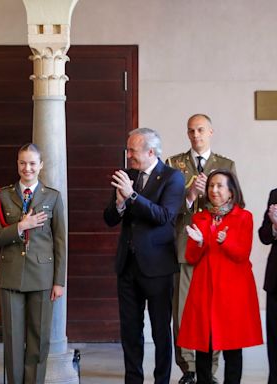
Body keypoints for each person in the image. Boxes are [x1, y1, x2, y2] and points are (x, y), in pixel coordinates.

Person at [103, 128, 185, 384]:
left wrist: (132, 196)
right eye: (128, 150)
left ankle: (162, 380)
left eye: (132, 151)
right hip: (127, 265)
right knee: (130, 331)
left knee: (161, 331)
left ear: (151, 152)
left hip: (158, 267)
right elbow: (109, 219)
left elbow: (164, 216)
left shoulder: (173, 178)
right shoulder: (127, 176)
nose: (128, 156)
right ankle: (133, 380)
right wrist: (119, 204)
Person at [0, 143, 66, 384]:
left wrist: (59, 281)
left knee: (38, 339)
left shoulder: (52, 196)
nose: (27, 168)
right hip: (11, 275)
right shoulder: (3, 196)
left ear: (40, 165)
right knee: (12, 340)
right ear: (17, 164)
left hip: (42, 276)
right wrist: (20, 227)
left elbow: (60, 241)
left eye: (32, 163)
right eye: (23, 163)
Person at [166, 113, 236, 384]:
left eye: (200, 130)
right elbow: (167, 207)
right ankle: (189, 369)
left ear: (210, 132)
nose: (196, 135)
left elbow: (234, 205)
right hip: (184, 246)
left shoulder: (225, 165)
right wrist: (191, 195)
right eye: (191, 131)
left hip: (213, 249)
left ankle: (211, 369)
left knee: (212, 312)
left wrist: (210, 194)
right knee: (182, 312)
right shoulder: (174, 164)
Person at [177, 169, 262, 384]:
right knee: (204, 344)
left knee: (233, 346)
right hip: (205, 288)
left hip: (233, 291)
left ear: (231, 192)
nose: (214, 190)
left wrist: (225, 241)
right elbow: (191, 257)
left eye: (219, 186)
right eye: (211, 186)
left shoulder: (244, 217)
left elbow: (242, 253)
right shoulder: (200, 217)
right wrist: (198, 242)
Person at [258, 188, 277, 384]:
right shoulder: (275, 194)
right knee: (274, 340)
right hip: (275, 281)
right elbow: (264, 235)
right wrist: (274, 227)